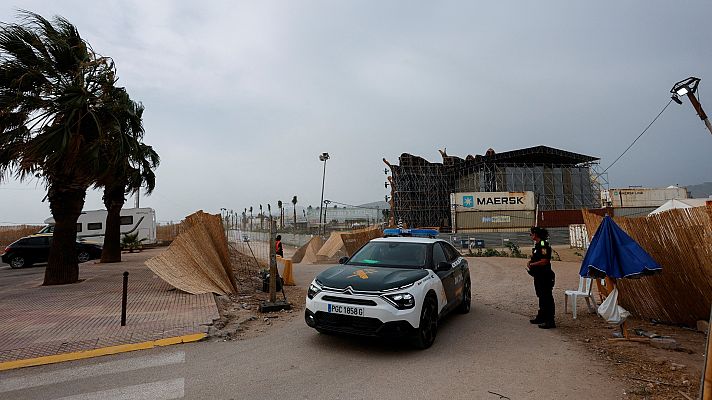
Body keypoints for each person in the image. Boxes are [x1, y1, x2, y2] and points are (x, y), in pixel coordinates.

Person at [527, 226, 556, 329]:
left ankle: (549, 320)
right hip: (538, 276)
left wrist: (533, 264)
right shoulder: (538, 245)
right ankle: (541, 317)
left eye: (531, 234)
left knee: (546, 297)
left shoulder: (543, 245)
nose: (530, 236)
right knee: (541, 296)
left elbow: (545, 261)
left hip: (545, 276)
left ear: (535, 234)